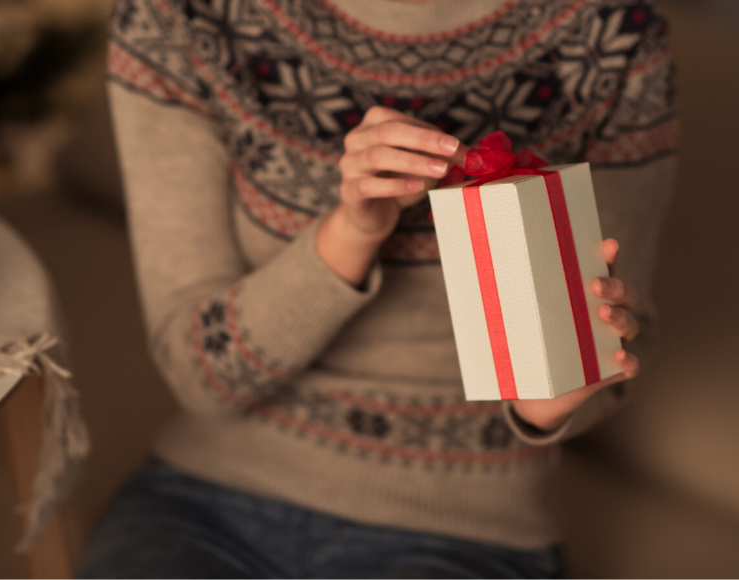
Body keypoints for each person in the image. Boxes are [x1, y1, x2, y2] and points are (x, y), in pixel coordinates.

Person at [78, 0, 677, 576]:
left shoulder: (612, 29)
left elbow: (621, 339)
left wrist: (547, 400)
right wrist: (350, 235)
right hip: (206, 504)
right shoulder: (182, 14)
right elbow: (200, 376)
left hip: (468, 532)